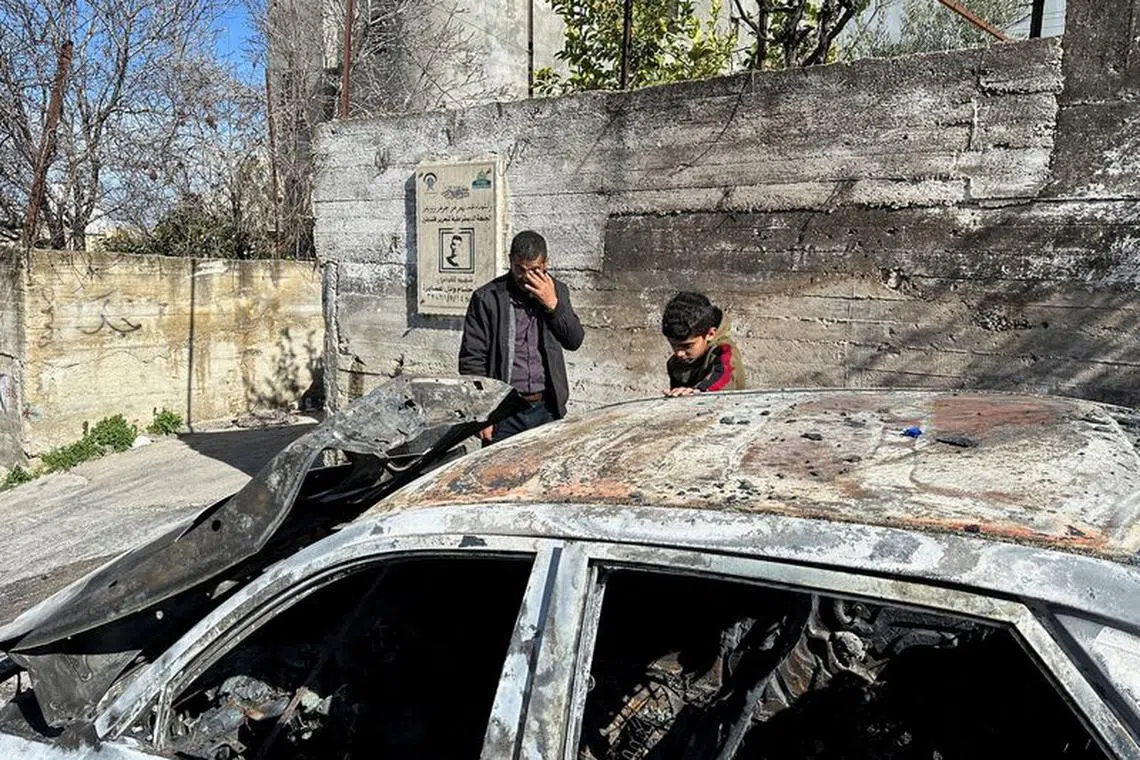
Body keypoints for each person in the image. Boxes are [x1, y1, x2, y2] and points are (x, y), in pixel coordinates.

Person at [459, 230, 584, 443]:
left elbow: (574, 340)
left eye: (534, 270)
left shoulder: (558, 291)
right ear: (510, 261)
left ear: (545, 263)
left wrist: (553, 305)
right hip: (502, 413)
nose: (526, 277)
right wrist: (481, 413)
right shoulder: (487, 298)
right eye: (519, 269)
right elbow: (472, 359)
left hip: (546, 409)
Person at [661, 291, 745, 396]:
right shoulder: (675, 364)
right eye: (673, 345)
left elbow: (722, 376)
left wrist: (698, 391)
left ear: (710, 334)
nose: (679, 353)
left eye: (687, 346)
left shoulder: (724, 352)